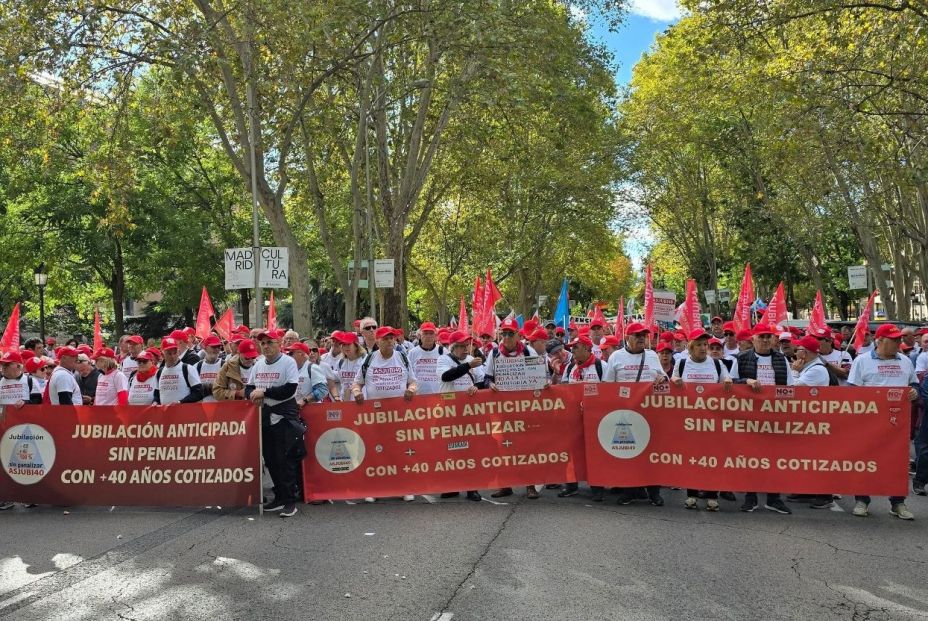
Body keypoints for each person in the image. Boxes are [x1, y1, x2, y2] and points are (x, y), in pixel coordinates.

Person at [847, 323, 919, 520]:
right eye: (893, 339)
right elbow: (852, 391)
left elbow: (914, 384)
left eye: (899, 339)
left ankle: (898, 503)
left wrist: (914, 392)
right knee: (865, 462)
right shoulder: (861, 361)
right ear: (879, 341)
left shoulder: (905, 361)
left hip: (897, 424)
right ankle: (862, 500)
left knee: (897, 463)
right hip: (868, 423)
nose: (898, 343)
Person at [731, 324, 794, 515]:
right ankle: (750, 498)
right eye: (761, 337)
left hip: (774, 416)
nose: (766, 340)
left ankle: (774, 499)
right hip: (749, 416)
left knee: (774, 458)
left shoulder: (781, 359)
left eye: (769, 337)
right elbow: (730, 383)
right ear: (753, 339)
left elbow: (790, 387)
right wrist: (746, 381)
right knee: (750, 458)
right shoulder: (742, 358)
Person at [604, 322, 668, 506]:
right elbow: (607, 386)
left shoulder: (652, 356)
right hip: (625, 413)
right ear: (627, 338)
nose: (641, 338)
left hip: (650, 413)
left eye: (643, 335)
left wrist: (662, 378)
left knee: (652, 454)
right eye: (637, 335)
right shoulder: (616, 357)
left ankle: (654, 492)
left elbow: (664, 378)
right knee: (628, 453)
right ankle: (629, 491)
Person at [352, 326, 418, 502]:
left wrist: (411, 389)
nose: (390, 341)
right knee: (375, 452)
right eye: (386, 339)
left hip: (399, 415)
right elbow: (357, 383)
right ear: (378, 341)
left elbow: (413, 382)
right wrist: (357, 392)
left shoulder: (402, 357)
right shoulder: (370, 359)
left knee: (400, 451)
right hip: (376, 415)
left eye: (392, 338)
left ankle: (405, 488)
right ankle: (373, 489)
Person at [671, 329, 732, 511]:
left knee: (713, 459)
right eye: (699, 345)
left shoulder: (717, 364)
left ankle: (713, 496)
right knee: (692, 458)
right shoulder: (682, 363)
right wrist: (675, 380)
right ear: (691, 347)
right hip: (690, 421)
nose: (703, 348)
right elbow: (673, 378)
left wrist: (728, 381)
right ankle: (692, 495)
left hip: (712, 421)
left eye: (705, 344)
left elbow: (727, 380)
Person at [247, 329, 303, 518]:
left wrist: (264, 392)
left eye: (270, 342)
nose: (266, 346)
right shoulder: (258, 364)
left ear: (279, 343)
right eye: (263, 343)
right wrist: (252, 394)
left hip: (284, 416)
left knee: (285, 459)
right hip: (264, 416)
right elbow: (249, 387)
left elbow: (290, 389)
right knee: (270, 459)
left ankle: (290, 501)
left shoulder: (288, 362)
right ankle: (279, 496)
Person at [484, 318, 541, 499]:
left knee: (527, 446)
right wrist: (490, 384)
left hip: (524, 407)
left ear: (518, 335)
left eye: (510, 333)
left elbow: (540, 376)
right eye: (504, 333)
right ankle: (505, 485)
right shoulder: (494, 353)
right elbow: (487, 378)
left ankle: (530, 485)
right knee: (503, 447)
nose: (507, 337)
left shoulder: (528, 351)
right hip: (503, 407)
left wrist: (543, 383)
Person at [436, 330, 484, 501]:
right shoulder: (443, 360)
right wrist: (468, 366)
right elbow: (446, 376)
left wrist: (477, 387)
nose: (466, 349)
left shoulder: (472, 360)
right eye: (462, 346)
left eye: (467, 346)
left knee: (470, 450)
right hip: (449, 412)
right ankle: (453, 486)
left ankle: (472, 487)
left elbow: (482, 380)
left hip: (469, 412)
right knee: (451, 450)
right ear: (453, 347)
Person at [558, 335, 606, 501]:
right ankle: (571, 485)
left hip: (595, 418)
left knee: (595, 453)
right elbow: (563, 388)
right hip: (573, 418)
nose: (572, 350)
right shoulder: (571, 367)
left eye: (575, 347)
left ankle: (597, 487)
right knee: (572, 452)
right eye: (571, 347)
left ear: (586, 348)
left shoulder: (601, 366)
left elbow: (609, 390)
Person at [156, 337, 204, 404]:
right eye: (169, 353)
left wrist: (181, 402)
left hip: (184, 410)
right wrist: (155, 402)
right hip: (165, 410)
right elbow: (157, 394)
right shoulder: (160, 372)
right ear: (163, 354)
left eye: (175, 353)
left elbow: (199, 393)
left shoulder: (188, 369)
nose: (172, 356)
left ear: (178, 352)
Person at [407, 322, 444, 395]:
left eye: (431, 333)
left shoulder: (443, 351)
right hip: (418, 396)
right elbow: (408, 374)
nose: (428, 336)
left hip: (439, 395)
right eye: (425, 333)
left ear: (435, 336)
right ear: (419, 336)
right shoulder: (412, 353)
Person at [195, 335, 225, 402]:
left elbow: (226, 388)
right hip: (203, 405)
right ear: (205, 348)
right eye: (213, 347)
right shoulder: (197, 366)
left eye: (218, 347)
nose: (216, 349)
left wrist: (206, 388)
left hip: (221, 405)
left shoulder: (225, 365)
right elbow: (195, 389)